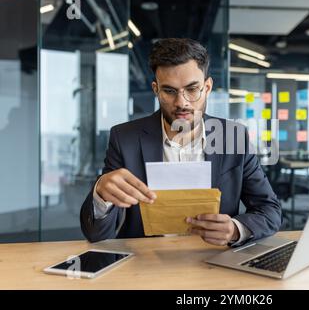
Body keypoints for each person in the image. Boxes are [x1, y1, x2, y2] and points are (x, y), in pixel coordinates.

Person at [80, 38, 281, 246]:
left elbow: (269, 210)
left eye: (192, 89)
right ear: (156, 89)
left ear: (208, 87)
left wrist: (235, 229)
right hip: (144, 266)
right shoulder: (125, 138)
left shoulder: (233, 137)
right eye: (169, 91)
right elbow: (96, 235)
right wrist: (101, 194)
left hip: (214, 261)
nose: (182, 102)